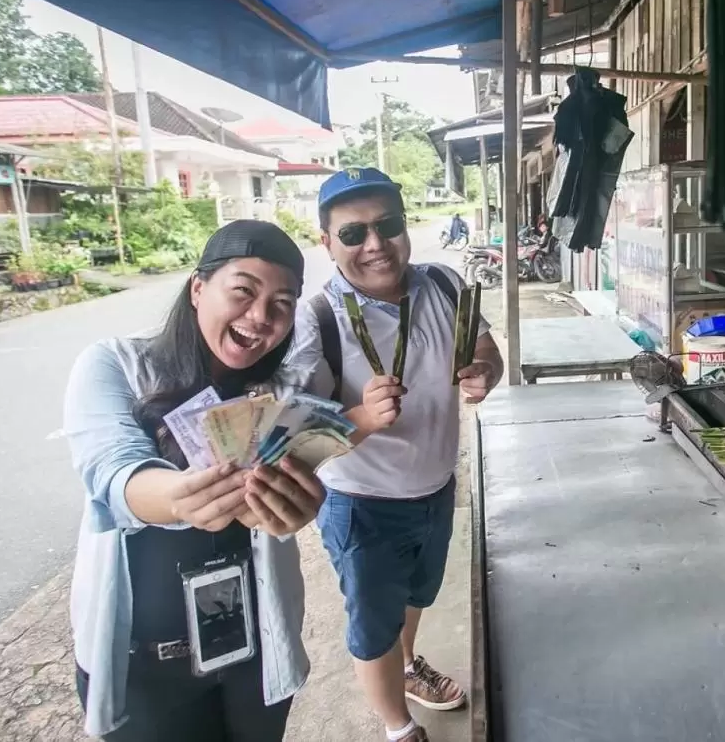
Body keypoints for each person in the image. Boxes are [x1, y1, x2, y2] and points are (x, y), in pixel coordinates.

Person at [65, 221, 328, 740]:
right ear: (198, 287)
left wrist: (297, 505)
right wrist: (179, 500)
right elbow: (113, 470)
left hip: (254, 650)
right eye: (243, 291)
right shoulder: (114, 365)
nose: (260, 317)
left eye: (282, 303)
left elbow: (308, 465)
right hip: (148, 668)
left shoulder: (278, 396)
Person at [286, 168, 503, 742]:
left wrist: (485, 371)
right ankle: (398, 728)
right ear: (326, 242)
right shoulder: (318, 320)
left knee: (416, 595)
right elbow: (295, 445)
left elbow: (482, 345)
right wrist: (358, 418)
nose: (375, 244)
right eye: (353, 233)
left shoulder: (445, 284)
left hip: (435, 488)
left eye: (388, 225)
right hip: (363, 504)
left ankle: (408, 667)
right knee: (373, 624)